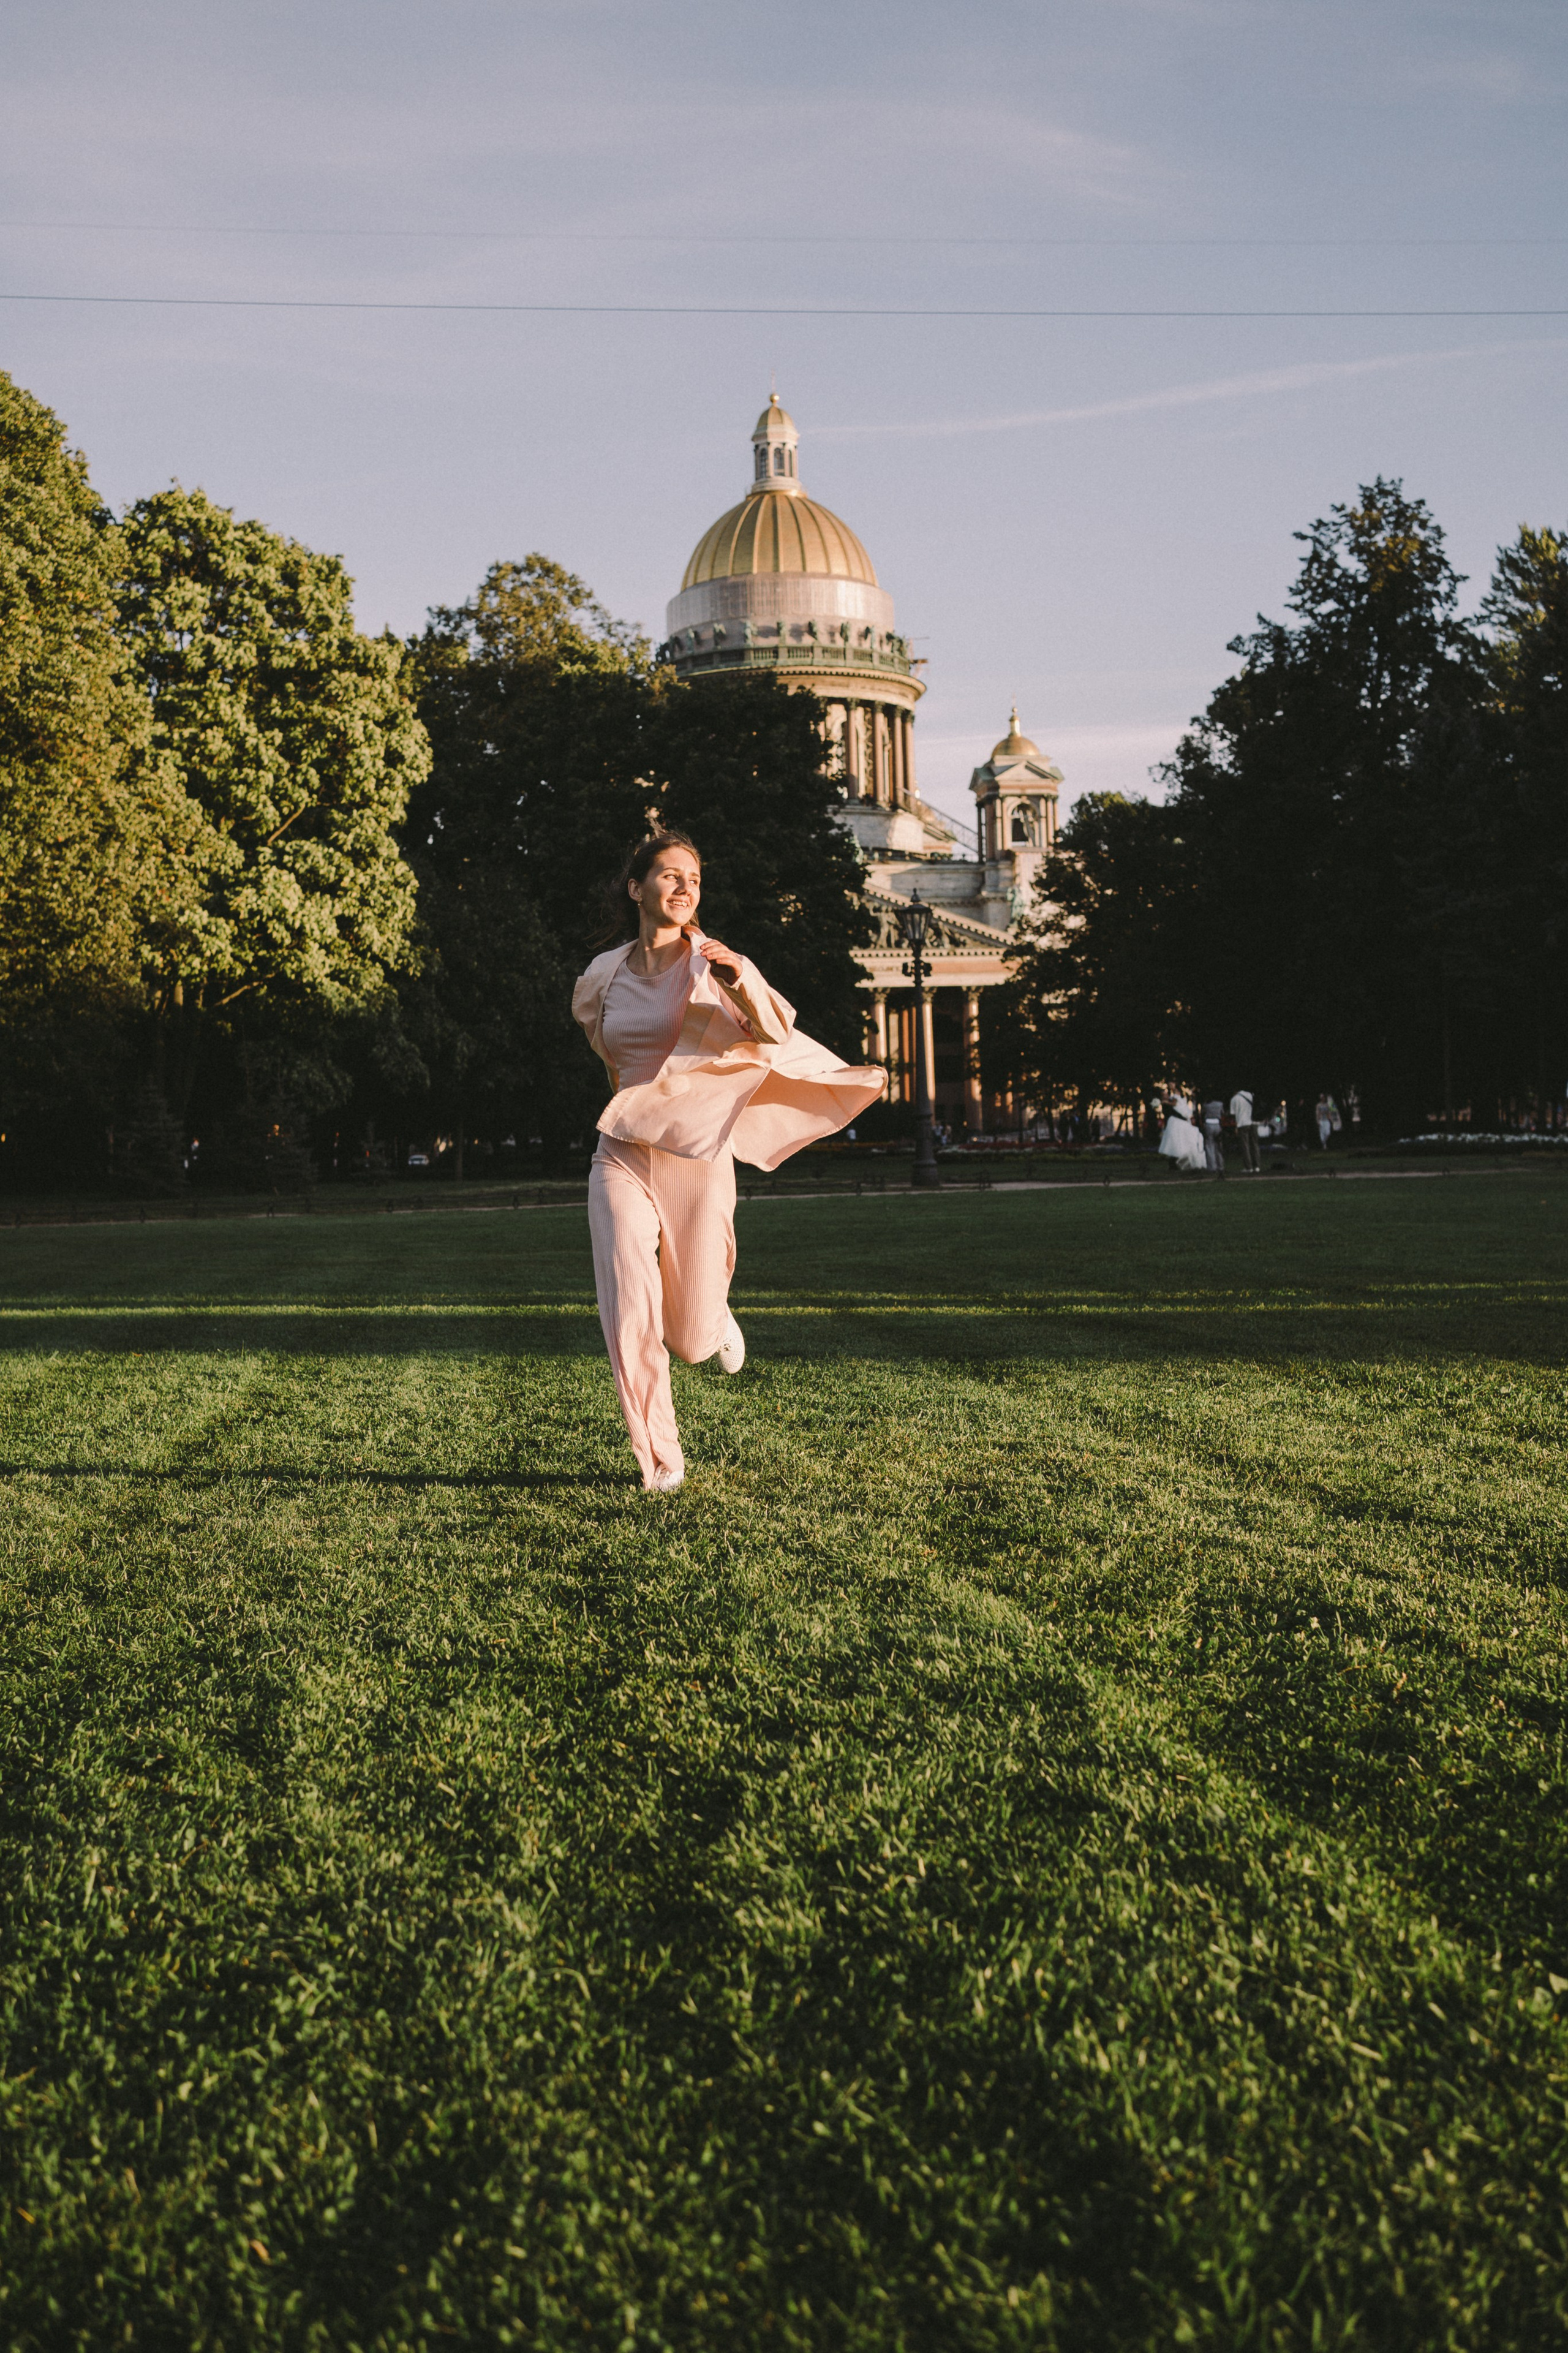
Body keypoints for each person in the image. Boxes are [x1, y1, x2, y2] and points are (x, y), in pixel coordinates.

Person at [573, 831, 885, 1494]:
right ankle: (661, 1458)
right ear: (636, 888)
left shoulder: (715, 966)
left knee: (689, 1339)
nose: (685, 887)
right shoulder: (603, 974)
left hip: (698, 1156)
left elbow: (774, 1031)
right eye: (670, 875)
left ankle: (713, 1317)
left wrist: (739, 978)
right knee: (628, 1305)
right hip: (622, 1152)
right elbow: (606, 1049)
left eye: (694, 878)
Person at [1158, 1092, 1206, 1173]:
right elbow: (1173, 1113)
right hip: (1173, 1125)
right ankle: (1173, 1164)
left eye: (1167, 1094)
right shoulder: (1167, 1104)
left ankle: (1174, 1164)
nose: (1167, 1095)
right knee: (1175, 1144)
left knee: (1177, 1144)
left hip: (1176, 1124)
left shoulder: (1170, 1102)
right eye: (1164, 1095)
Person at [1229, 1086, 1260, 1174]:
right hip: (1253, 1122)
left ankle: (1248, 1167)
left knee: (1245, 1146)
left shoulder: (1234, 1099)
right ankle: (1257, 1166)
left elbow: (1233, 1114)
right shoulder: (1250, 1095)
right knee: (1255, 1145)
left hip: (1243, 1124)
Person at [1202, 1099, 1224, 1174]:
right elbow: (1223, 1114)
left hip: (1209, 1124)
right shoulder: (1220, 1104)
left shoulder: (1206, 1105)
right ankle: (1220, 1166)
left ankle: (1212, 1167)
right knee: (1218, 1147)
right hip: (1217, 1124)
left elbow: (1203, 1114)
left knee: (1210, 1147)